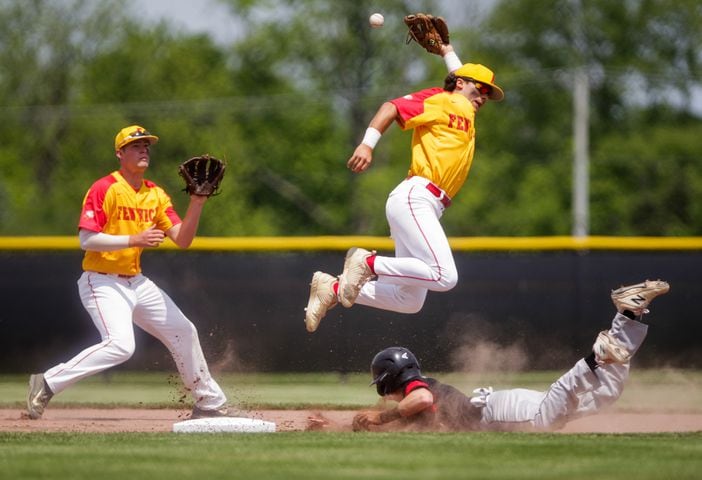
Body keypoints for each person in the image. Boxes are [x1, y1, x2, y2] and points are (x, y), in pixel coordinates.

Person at [26, 125, 236, 420]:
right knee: (121, 346)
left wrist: (196, 203)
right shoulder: (105, 188)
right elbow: (87, 239)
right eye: (136, 145)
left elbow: (183, 239)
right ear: (120, 153)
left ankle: (209, 403)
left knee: (183, 330)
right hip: (101, 281)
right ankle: (47, 382)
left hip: (136, 282)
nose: (144, 150)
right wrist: (135, 239)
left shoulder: (155, 195)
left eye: (146, 145)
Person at [303, 41, 503, 333]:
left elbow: (462, 81)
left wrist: (447, 50)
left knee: (407, 299)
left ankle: (331, 288)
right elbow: (391, 106)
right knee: (445, 276)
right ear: (460, 84)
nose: (485, 96)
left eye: (489, 93)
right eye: (481, 89)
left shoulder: (462, 107)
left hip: (427, 206)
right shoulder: (444, 99)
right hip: (416, 197)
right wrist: (367, 145)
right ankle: (367, 262)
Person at [351, 280, 670, 432]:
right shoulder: (421, 388)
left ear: (387, 379)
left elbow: (419, 402)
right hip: (499, 405)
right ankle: (630, 314)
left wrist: (380, 417)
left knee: (548, 416)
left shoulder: (417, 389)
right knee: (606, 395)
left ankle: (595, 358)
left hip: (497, 413)